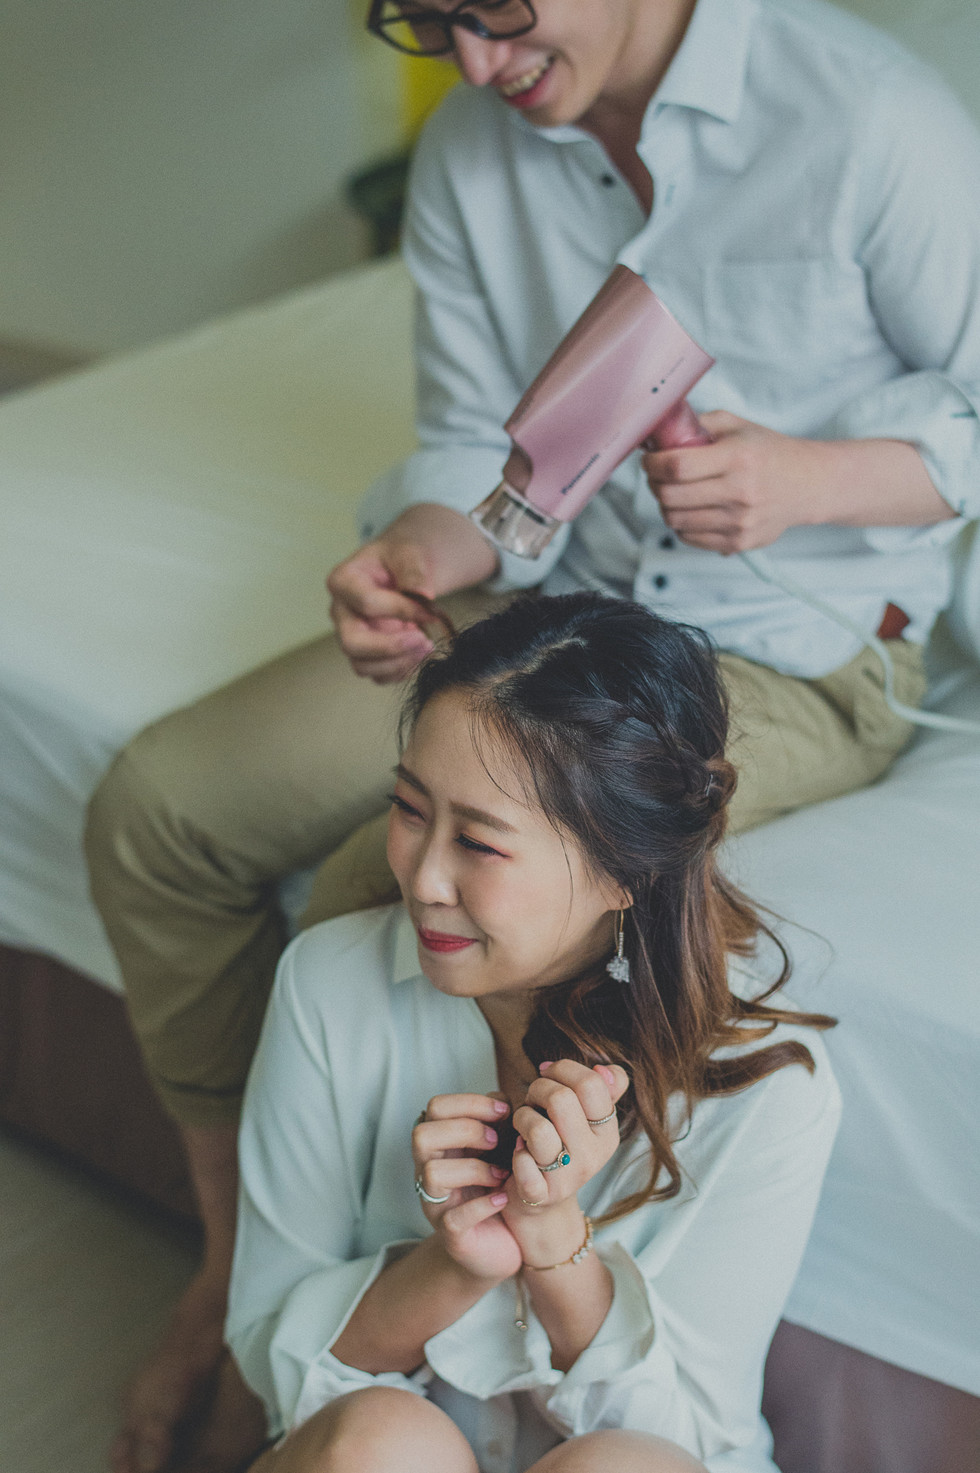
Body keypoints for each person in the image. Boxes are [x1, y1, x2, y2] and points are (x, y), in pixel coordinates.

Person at [83, 1, 980, 1469]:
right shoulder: (472, 149)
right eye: (429, 21)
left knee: (378, 902)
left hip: (800, 646)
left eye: (499, 16)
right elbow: (475, 452)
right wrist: (423, 556)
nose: (474, 66)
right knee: (162, 807)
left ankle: (316, 1363)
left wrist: (815, 481)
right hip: (553, 609)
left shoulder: (871, 126)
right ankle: (242, 1276)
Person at [225, 592, 841, 1473]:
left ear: (626, 871)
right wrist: (458, 1263)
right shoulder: (330, 984)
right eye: (409, 808)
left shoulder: (767, 1085)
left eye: (480, 843)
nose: (423, 879)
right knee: (378, 1442)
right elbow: (271, 1357)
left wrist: (553, 1244)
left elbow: (686, 1443)